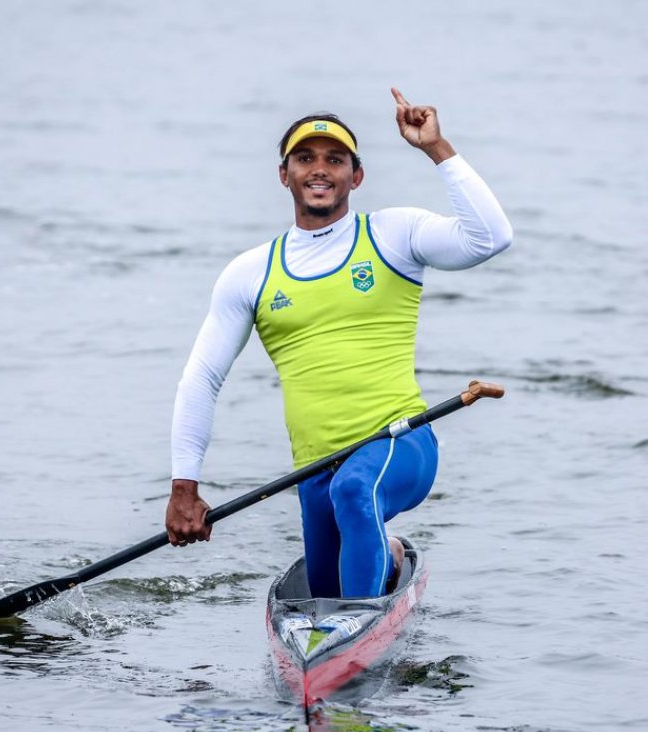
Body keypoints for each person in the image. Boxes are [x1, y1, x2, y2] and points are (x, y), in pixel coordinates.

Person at [165, 87, 512, 599]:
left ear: (357, 175)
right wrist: (183, 488)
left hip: (402, 443)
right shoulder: (250, 273)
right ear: (285, 175)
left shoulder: (395, 235)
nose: (319, 169)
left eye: (335, 159)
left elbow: (490, 238)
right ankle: (385, 561)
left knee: (356, 490)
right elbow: (203, 377)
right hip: (316, 469)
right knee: (326, 578)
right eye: (305, 158)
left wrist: (436, 148)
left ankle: (357, 620)